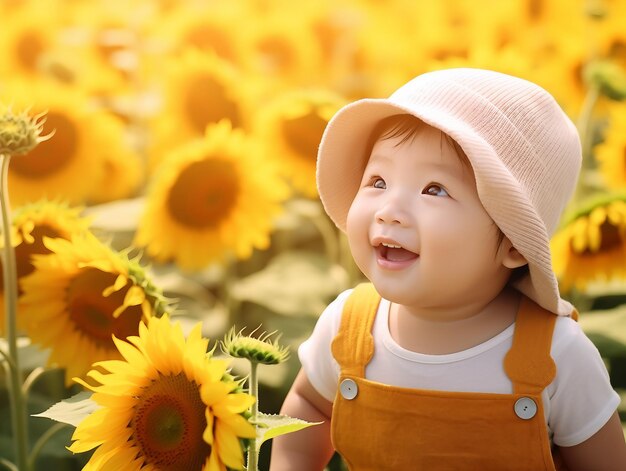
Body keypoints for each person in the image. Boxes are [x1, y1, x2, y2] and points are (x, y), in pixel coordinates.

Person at [269, 68, 626, 470]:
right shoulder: (346, 327)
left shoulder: (557, 355)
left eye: (433, 190)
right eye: (379, 181)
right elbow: (306, 407)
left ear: (513, 243)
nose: (389, 211)